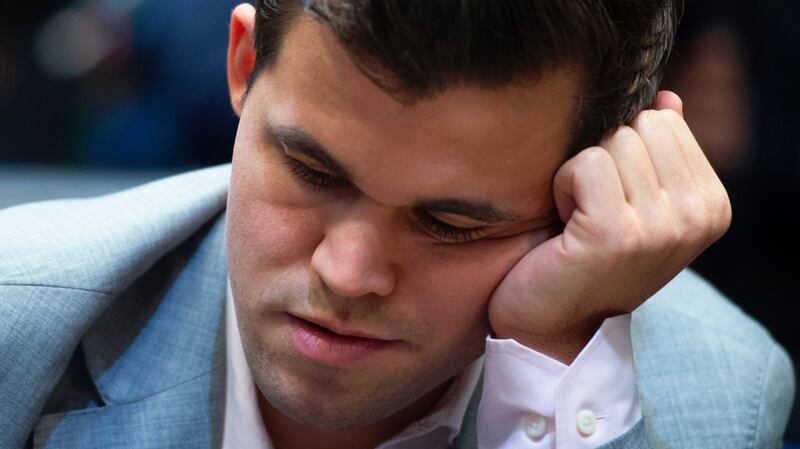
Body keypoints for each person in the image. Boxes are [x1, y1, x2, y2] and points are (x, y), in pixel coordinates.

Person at [0, 1, 793, 448]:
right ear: (243, 64)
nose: (346, 273)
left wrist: (555, 380)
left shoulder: (725, 397)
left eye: (449, 222)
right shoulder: (17, 324)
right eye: (313, 172)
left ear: (589, 186)